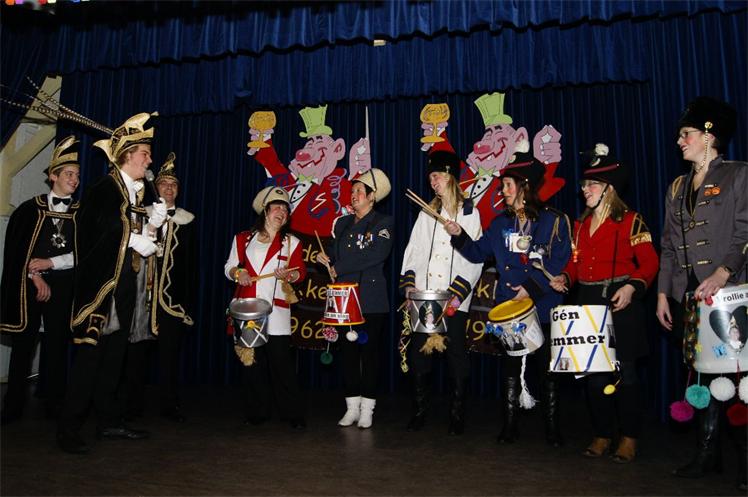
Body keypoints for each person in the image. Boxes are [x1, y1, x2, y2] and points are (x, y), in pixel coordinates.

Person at [57, 113, 167, 454]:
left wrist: (153, 225)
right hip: (102, 288)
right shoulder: (103, 189)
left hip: (125, 286)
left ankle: (108, 421)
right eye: (145, 154)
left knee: (114, 358)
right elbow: (99, 229)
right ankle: (68, 429)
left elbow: (134, 229)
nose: (149, 160)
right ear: (126, 155)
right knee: (90, 358)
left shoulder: (135, 193)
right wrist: (134, 239)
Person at [445, 151, 571, 447]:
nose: (502, 191)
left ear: (524, 187)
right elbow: (477, 252)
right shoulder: (500, 224)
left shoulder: (553, 221)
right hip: (509, 308)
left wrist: (531, 288)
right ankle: (510, 426)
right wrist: (459, 234)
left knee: (547, 368)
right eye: (502, 185)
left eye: (507, 185)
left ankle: (552, 429)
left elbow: (559, 261)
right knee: (511, 368)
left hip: (543, 306)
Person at [655, 97, 747, 488]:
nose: (680, 141)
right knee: (699, 376)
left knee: (738, 380)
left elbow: (745, 232)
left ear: (709, 136)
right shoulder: (677, 187)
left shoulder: (738, 175)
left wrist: (725, 272)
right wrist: (663, 293)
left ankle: (746, 461)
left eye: (686, 134)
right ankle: (707, 454)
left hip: (729, 294)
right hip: (689, 295)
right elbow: (668, 245)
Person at [550, 144, 659, 463]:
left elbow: (650, 263)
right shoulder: (580, 225)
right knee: (594, 376)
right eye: (584, 184)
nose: (585, 189)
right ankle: (601, 434)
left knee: (626, 374)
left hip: (620, 300)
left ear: (609, 189)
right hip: (587, 302)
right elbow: (574, 264)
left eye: (592, 185)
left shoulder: (631, 221)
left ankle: (629, 437)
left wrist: (632, 287)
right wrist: (565, 278)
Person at [399, 150, 483, 435]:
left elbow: (475, 258)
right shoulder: (426, 213)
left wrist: (456, 294)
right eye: (431, 177)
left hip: (453, 297)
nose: (432, 181)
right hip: (426, 296)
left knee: (456, 355)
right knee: (419, 355)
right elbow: (414, 250)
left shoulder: (470, 211)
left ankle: (457, 414)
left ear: (450, 177)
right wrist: (410, 285)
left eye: (437, 176)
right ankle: (420, 411)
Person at [0, 136, 80, 424]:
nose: (74, 180)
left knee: (57, 346)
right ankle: (12, 407)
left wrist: (50, 263)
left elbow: (84, 253)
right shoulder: (28, 210)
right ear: (53, 177)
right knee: (23, 346)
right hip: (29, 285)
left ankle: (54, 405)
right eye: (68, 174)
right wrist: (35, 275)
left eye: (77, 175)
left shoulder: (81, 214)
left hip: (63, 286)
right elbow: (17, 253)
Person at [120, 153, 198, 423]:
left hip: (171, 301)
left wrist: (187, 304)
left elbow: (191, 267)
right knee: (135, 355)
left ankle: (169, 404)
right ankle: (132, 406)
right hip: (142, 298)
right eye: (164, 184)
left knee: (169, 356)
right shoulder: (142, 216)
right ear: (156, 187)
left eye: (173, 185)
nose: (168, 188)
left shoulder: (187, 221)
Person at [224, 186, 307, 429]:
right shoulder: (242, 239)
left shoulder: (292, 242)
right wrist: (238, 273)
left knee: (282, 364)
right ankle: (257, 412)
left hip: (276, 311)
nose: (281, 212)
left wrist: (289, 275)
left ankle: (292, 414)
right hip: (248, 309)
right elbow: (229, 266)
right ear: (265, 210)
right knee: (252, 363)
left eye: (285, 209)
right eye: (277, 207)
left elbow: (300, 273)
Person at [317, 168, 394, 429]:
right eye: (352, 191)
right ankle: (351, 407)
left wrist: (338, 266)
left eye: (360, 191)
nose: (354, 195)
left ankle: (367, 409)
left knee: (369, 355)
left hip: (370, 299)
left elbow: (375, 255)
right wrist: (323, 257)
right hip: (343, 299)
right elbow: (333, 251)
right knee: (348, 355)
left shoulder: (384, 223)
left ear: (372, 196)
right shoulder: (342, 223)